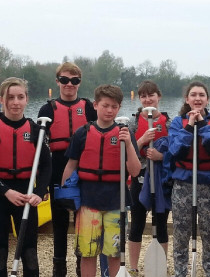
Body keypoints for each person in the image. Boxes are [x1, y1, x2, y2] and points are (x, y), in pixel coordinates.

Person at [61, 85, 141, 277]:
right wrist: (65, 194)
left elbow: (135, 171)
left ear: (119, 107)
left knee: (114, 254)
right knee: (88, 254)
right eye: (105, 105)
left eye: (114, 106)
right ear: (96, 105)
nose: (109, 110)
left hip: (116, 202)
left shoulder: (125, 134)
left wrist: (129, 144)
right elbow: (71, 166)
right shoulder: (82, 133)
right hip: (88, 202)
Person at [37, 61, 97, 277]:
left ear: (79, 83)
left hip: (84, 169)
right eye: (64, 80)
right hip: (57, 167)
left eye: (74, 80)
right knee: (60, 221)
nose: (69, 84)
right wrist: (40, 182)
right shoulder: (47, 110)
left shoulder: (89, 107)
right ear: (57, 81)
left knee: (83, 221)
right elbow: (39, 150)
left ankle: (83, 266)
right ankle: (59, 268)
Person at [169, 81, 210, 277]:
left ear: (207, 99)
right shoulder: (178, 123)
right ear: (187, 99)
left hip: (209, 186)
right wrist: (189, 127)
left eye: (201, 95)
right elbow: (175, 151)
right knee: (181, 234)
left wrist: (202, 124)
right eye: (193, 95)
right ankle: (180, 272)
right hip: (183, 185)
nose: (197, 98)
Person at [0, 77, 52, 276]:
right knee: (1, 250)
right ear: (2, 99)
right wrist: (5, 191)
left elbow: (46, 166)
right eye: (10, 97)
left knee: (29, 250)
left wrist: (40, 192)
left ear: (26, 99)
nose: (15, 102)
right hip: (1, 191)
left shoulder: (36, 131)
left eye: (20, 97)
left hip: (27, 192)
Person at [127, 80, 171, 276]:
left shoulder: (169, 122)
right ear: (139, 98)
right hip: (139, 177)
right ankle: (133, 266)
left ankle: (161, 264)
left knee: (160, 222)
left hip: (161, 179)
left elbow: (176, 152)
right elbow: (126, 151)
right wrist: (142, 140)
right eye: (143, 96)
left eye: (151, 95)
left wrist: (161, 156)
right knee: (136, 222)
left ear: (158, 96)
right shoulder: (132, 123)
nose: (147, 99)